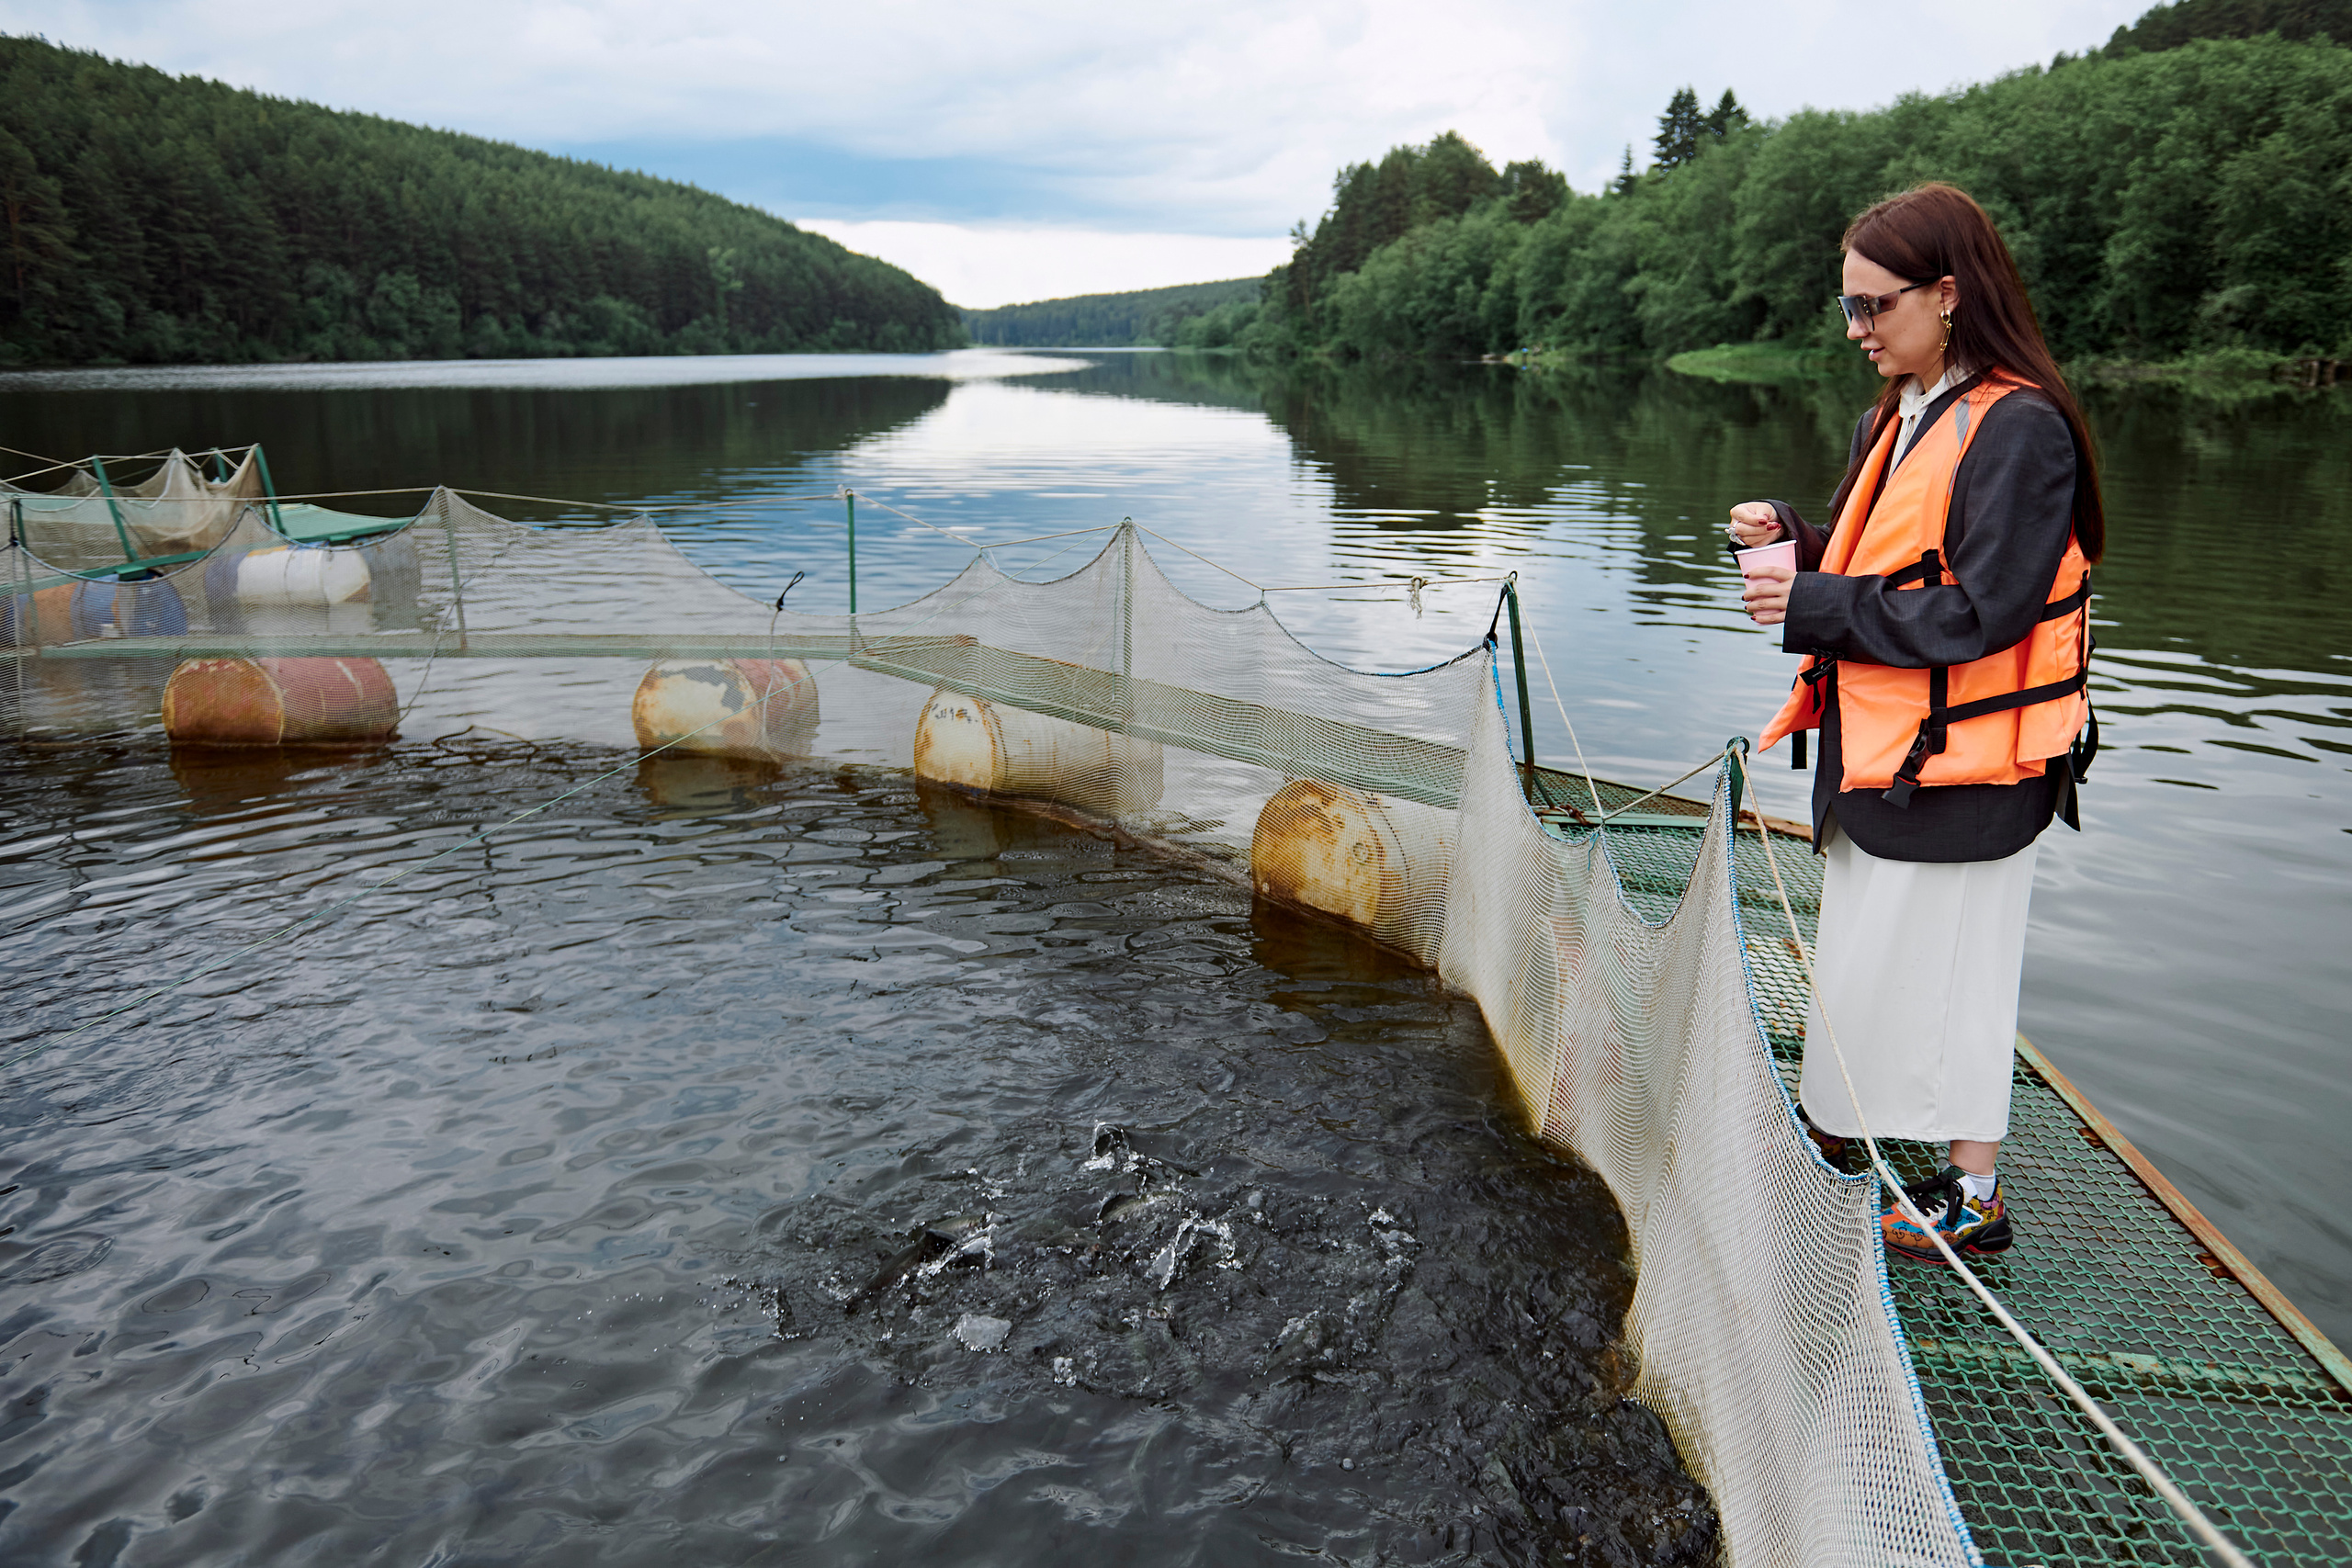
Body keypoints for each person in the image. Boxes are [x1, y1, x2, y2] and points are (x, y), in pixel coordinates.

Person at [1727, 182, 2101, 1266]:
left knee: (1960, 978)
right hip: (1883, 757)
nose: (1856, 331)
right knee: (1859, 965)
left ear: (1947, 293)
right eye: (1845, 308)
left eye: (1871, 307)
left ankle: (1973, 1197)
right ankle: (1838, 1135)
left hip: (1968, 775)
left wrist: (1812, 603)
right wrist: (1794, 539)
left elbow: (1985, 614)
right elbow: (1887, 562)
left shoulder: (2020, 428)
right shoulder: (1897, 410)